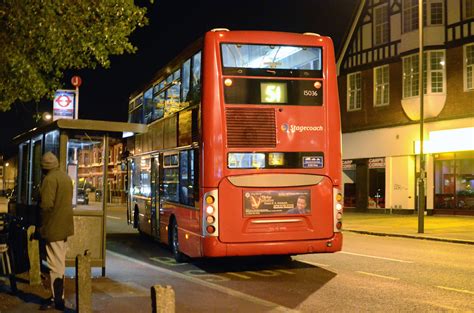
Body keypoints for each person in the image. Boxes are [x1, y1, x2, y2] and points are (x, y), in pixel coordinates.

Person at [38, 152, 74, 311]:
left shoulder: (49, 179)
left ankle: (57, 299)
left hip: (54, 228)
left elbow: (46, 206)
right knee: (60, 263)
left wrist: (42, 228)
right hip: (65, 227)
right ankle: (58, 296)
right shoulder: (65, 177)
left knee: (55, 265)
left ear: (44, 168)